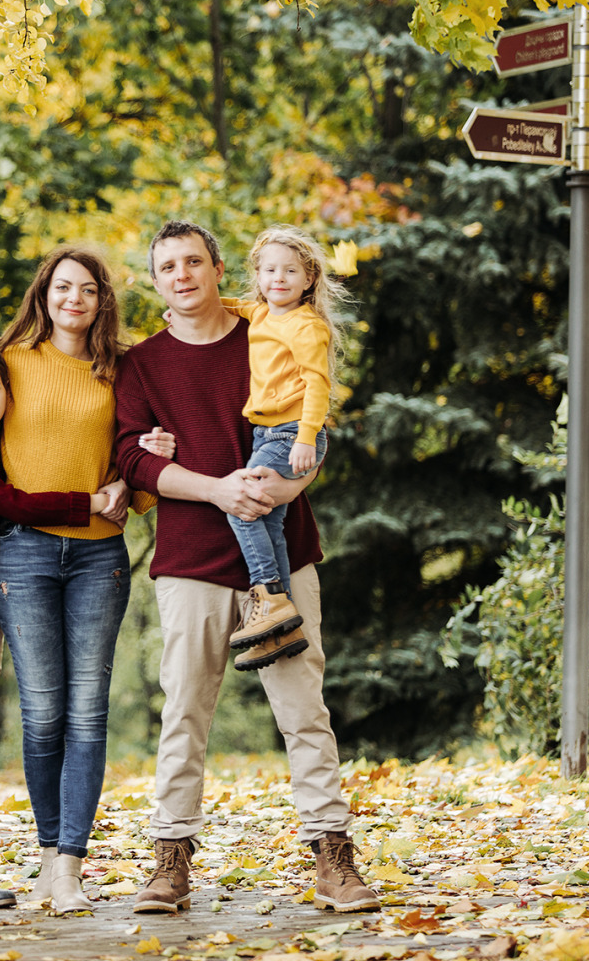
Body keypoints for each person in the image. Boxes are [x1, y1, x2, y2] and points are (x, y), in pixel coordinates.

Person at [114, 220, 379, 916]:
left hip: (285, 556)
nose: (181, 274)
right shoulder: (142, 365)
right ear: (156, 280)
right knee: (185, 711)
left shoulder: (269, 329)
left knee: (303, 711)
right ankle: (170, 857)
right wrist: (216, 489)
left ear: (218, 268)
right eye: (167, 265)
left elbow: (308, 434)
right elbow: (134, 461)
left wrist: (284, 490)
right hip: (192, 562)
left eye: (193, 261)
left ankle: (333, 855)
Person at [0, 247, 145, 912]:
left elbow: (133, 445)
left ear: (103, 300)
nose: (75, 298)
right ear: (44, 294)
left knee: (88, 712)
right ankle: (44, 854)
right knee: (43, 713)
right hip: (23, 556)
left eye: (89, 289)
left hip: (100, 555)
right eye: (62, 286)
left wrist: (133, 478)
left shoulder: (119, 369)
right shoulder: (11, 360)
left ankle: (69, 867)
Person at [143, 225, 347, 671]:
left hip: (289, 436)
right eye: (270, 270)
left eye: (290, 270)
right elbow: (131, 458)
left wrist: (306, 448)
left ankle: (270, 595)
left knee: (245, 503)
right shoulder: (260, 316)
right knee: (264, 514)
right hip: (200, 548)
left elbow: (318, 391)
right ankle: (279, 620)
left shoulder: (300, 326)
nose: (279, 278)